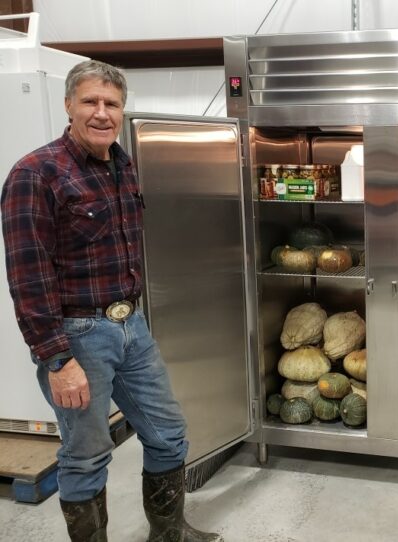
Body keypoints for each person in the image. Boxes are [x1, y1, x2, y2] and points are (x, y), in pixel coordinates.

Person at [1, 60, 222, 542]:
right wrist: (58, 360)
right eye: (90, 101)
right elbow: (28, 276)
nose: (102, 113)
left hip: (132, 326)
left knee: (168, 434)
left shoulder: (122, 165)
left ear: (122, 110)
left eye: (112, 104)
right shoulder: (35, 174)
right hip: (78, 337)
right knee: (86, 454)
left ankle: (168, 534)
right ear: (68, 106)